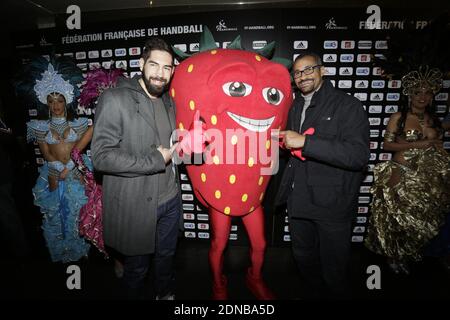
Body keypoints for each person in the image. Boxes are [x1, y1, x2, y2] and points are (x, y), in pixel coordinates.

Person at [91, 37, 181, 300]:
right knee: (137, 269)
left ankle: (163, 293)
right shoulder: (115, 98)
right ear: (141, 64)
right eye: (154, 65)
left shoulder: (168, 101)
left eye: (167, 68)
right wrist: (155, 160)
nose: (160, 74)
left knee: (166, 258)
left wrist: (181, 145)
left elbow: (167, 144)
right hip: (137, 204)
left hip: (170, 200)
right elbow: (102, 157)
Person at [275, 52, 370, 299]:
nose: (302, 76)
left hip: (332, 206)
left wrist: (305, 142)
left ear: (323, 70)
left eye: (309, 69)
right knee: (303, 258)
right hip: (299, 202)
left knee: (335, 271)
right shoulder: (294, 105)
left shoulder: (347, 105)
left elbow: (358, 156)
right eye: (297, 72)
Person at [365, 66, 450, 274]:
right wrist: (417, 145)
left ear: (432, 97)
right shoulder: (399, 117)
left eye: (427, 92)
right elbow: (387, 146)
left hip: (427, 178)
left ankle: (418, 253)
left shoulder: (434, 120)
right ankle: (394, 256)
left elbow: (437, 145)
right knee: (397, 217)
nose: (422, 96)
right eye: (417, 92)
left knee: (422, 219)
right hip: (401, 173)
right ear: (409, 95)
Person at [15, 56, 90, 263]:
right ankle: (62, 251)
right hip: (53, 172)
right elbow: (45, 152)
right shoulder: (39, 126)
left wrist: (70, 167)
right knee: (56, 212)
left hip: (76, 170)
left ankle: (80, 249)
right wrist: (58, 167)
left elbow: (79, 149)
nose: (55, 105)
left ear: (66, 100)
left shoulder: (81, 123)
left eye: (59, 100)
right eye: (51, 101)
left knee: (77, 209)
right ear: (44, 102)